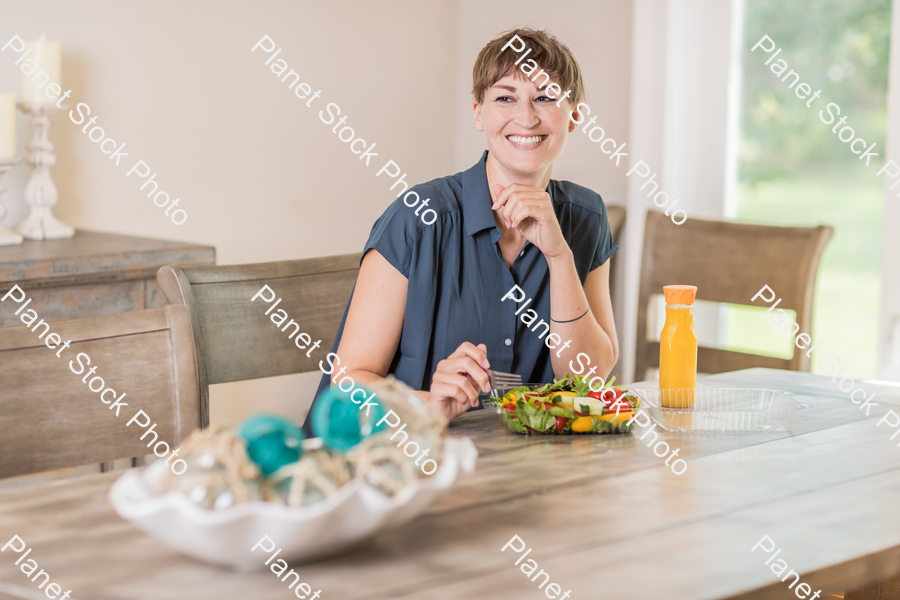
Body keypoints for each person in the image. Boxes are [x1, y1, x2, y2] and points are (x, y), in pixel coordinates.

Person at [303, 27, 619, 433]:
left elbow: (589, 382)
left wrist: (559, 256)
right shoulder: (417, 218)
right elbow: (347, 385)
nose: (527, 117)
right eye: (505, 97)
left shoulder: (586, 217)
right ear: (478, 113)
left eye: (545, 96)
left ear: (575, 116)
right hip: (389, 464)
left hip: (515, 473)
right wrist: (428, 405)